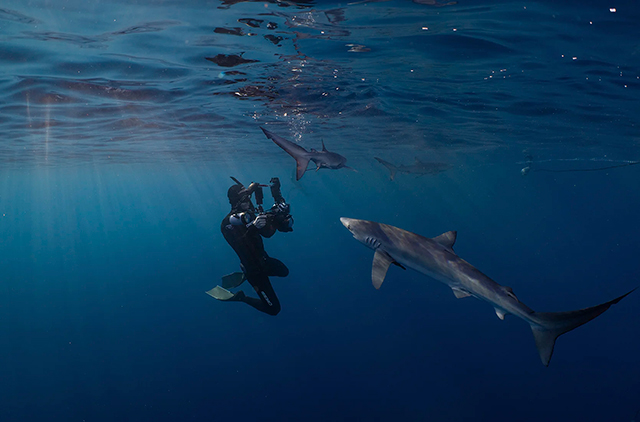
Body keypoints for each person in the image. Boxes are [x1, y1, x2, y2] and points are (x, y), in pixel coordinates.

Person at [208, 176, 294, 316]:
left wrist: (277, 204)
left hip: (264, 261)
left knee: (284, 271)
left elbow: (268, 232)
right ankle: (242, 297)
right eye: (244, 197)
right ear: (236, 200)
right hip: (253, 269)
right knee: (273, 309)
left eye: (248, 197)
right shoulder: (227, 224)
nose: (248, 200)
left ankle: (244, 276)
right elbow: (240, 244)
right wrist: (253, 228)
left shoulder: (251, 216)